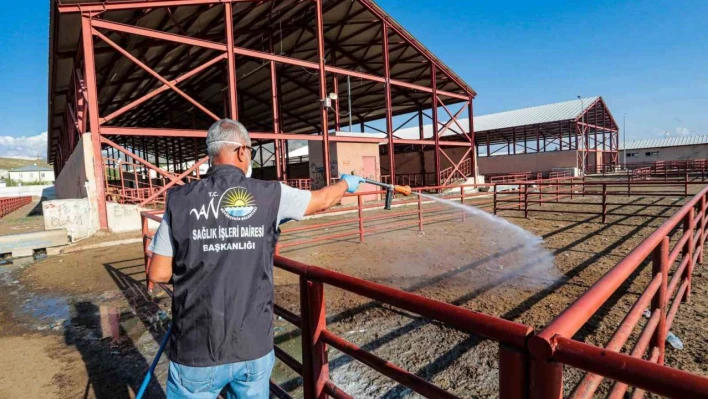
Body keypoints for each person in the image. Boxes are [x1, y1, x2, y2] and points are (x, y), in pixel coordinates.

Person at [147, 119, 363, 398]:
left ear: (212, 155)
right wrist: (346, 183)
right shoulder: (271, 195)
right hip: (251, 346)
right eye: (250, 151)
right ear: (241, 152)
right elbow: (321, 200)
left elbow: (159, 273)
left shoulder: (179, 200)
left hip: (196, 345)